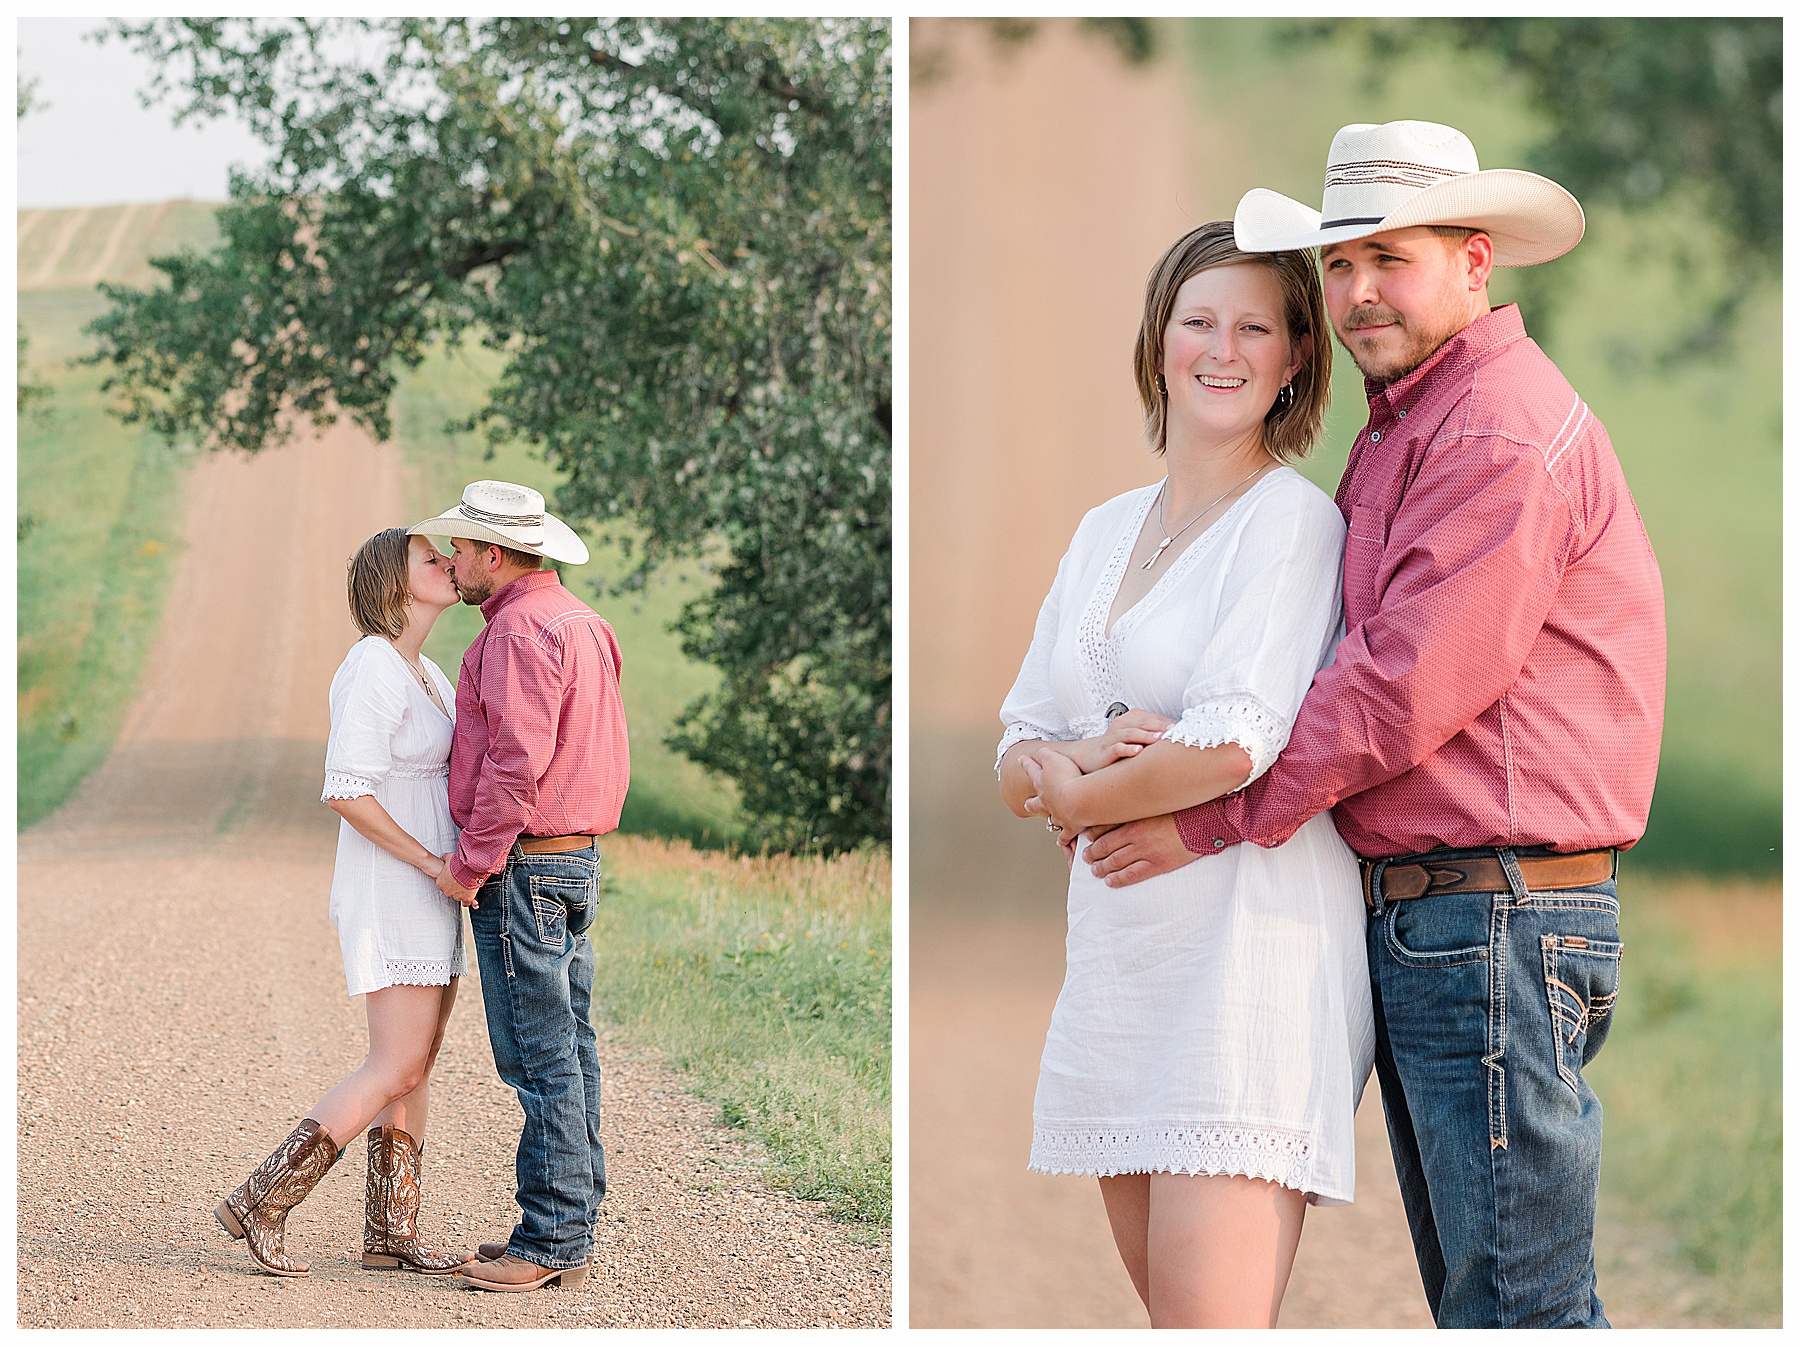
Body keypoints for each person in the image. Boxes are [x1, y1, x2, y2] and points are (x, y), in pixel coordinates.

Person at [1078, 121, 1666, 1328]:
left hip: (1495, 910)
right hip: (1452, 912)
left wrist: (1209, 815)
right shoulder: (1412, 422)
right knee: (1488, 1297)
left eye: (1387, 259)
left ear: (1474, 261)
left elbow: (1396, 688)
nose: (1355, 294)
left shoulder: (1494, 430)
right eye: (1338, 265)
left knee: (1520, 1306)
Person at [998, 219, 1374, 1328]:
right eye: (1199, 319)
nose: (1224, 348)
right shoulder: (1103, 529)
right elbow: (1016, 743)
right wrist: (1060, 762)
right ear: (1158, 340)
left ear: (1297, 355)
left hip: (1244, 961)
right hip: (1124, 960)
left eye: (1255, 326)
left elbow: (1232, 743)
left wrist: (1073, 787)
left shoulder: (1293, 526)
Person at [215, 528, 475, 1278]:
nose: (449, 565)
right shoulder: (372, 666)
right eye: (432, 560)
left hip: (426, 883)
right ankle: (263, 1198)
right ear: (395, 585)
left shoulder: (422, 670)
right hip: (395, 881)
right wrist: (431, 859)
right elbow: (346, 789)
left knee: (416, 1064)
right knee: (395, 1062)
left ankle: (391, 1233)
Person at [404, 480, 630, 1294]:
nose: (451, 562)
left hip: (524, 864)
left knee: (539, 1059)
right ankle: (566, 1225)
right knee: (570, 1047)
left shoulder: (518, 633)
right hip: (574, 860)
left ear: (492, 556)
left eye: (459, 550)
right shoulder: (582, 623)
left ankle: (554, 1238)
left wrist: (470, 863)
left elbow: (518, 762)